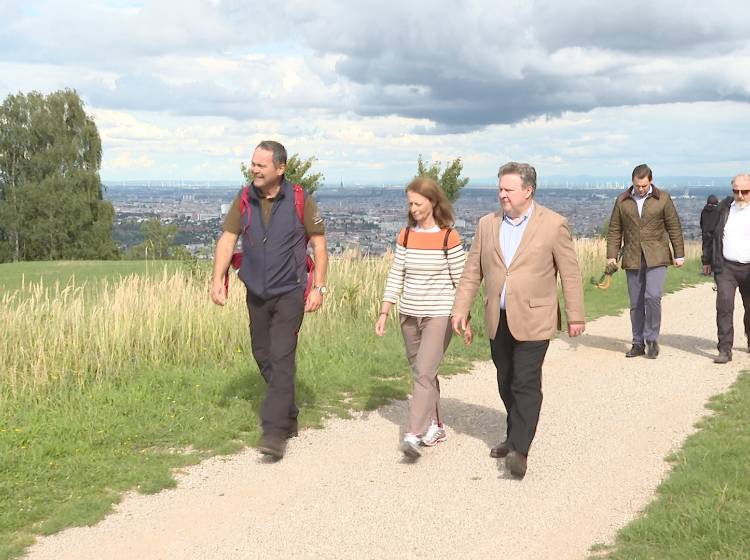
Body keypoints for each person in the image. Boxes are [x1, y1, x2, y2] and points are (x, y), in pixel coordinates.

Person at [451, 162, 585, 479]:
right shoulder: (487, 224)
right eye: (500, 188)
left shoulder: (553, 225)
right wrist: (461, 309)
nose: (502, 195)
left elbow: (570, 273)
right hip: (498, 318)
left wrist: (575, 315)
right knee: (505, 379)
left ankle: (520, 450)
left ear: (528, 190)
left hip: (535, 317)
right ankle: (513, 435)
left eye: (508, 189)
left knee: (525, 381)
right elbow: (472, 272)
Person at [210, 140, 328, 460]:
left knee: (281, 356)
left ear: (280, 168)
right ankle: (287, 411)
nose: (255, 170)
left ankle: (274, 432)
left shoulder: (301, 200)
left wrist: (319, 287)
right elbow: (228, 239)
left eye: (262, 165)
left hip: (290, 291)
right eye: (253, 164)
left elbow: (318, 244)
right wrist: (217, 279)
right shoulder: (244, 198)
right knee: (262, 353)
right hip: (256, 291)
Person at [375, 177, 470, 459]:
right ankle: (436, 425)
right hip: (409, 313)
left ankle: (413, 434)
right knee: (423, 373)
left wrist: (463, 318)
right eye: (410, 204)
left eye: (418, 203)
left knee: (425, 373)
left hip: (439, 314)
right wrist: (385, 310)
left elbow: (461, 280)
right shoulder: (405, 236)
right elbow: (397, 273)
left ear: (432, 202)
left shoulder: (448, 237)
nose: (413, 208)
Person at [606, 164, 685, 359]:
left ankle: (651, 338)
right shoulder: (622, 200)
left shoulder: (663, 198)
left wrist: (679, 253)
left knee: (653, 296)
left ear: (650, 181)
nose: (641, 189)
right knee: (636, 302)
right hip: (632, 255)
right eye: (637, 185)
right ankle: (637, 342)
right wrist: (611, 256)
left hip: (657, 255)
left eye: (644, 185)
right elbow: (615, 230)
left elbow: (674, 226)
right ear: (632, 182)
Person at [702, 174, 750, 364]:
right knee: (724, 307)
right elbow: (709, 233)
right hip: (726, 267)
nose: (740, 195)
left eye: (745, 191)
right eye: (736, 191)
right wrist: (706, 260)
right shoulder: (723, 209)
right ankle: (724, 349)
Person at [700, 194, 720, 275]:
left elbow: (701, 223)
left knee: (706, 252)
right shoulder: (718, 211)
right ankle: (714, 270)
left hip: (705, 233)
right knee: (716, 252)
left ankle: (706, 270)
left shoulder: (704, 211)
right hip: (715, 234)